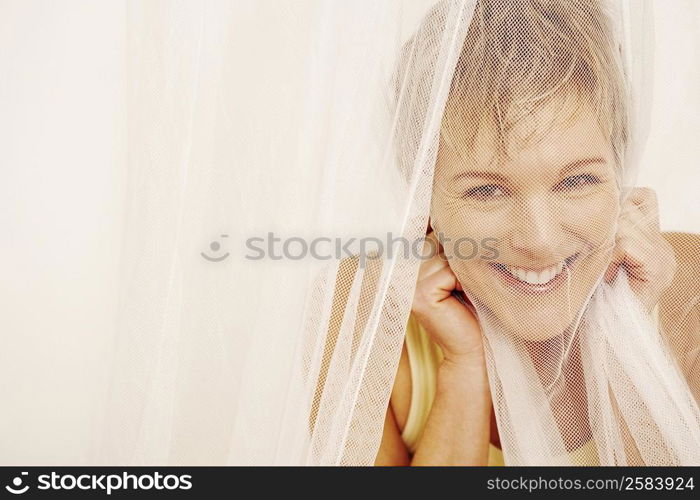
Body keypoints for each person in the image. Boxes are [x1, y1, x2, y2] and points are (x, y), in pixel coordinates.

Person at [374, 0, 699, 466]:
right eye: (486, 191)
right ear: (424, 205)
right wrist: (465, 369)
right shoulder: (368, 317)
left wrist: (634, 332)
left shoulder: (691, 283)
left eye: (577, 181)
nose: (540, 239)